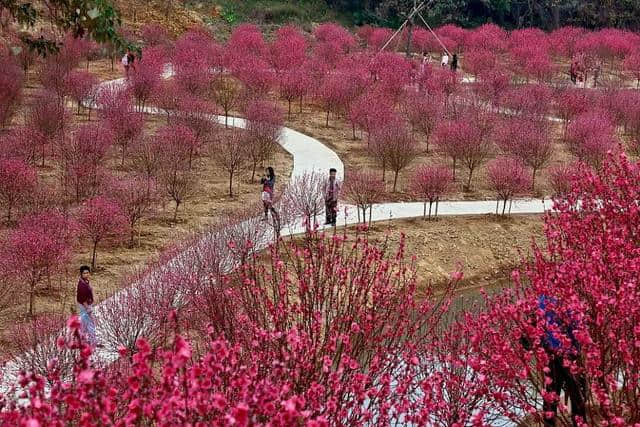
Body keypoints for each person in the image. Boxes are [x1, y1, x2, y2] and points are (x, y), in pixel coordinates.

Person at [538, 295, 586, 427]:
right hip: (569, 352)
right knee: (577, 393)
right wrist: (577, 348)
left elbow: (538, 329)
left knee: (551, 393)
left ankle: (549, 424)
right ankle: (580, 423)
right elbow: (577, 326)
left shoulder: (541, 299)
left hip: (550, 354)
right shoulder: (566, 296)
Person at [77, 265, 98, 347]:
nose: (86, 274)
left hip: (85, 305)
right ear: (81, 274)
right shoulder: (82, 285)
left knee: (84, 324)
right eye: (84, 273)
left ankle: (83, 340)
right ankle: (93, 342)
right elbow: (83, 299)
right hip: (85, 306)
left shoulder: (85, 281)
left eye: (87, 273)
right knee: (90, 324)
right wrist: (88, 308)